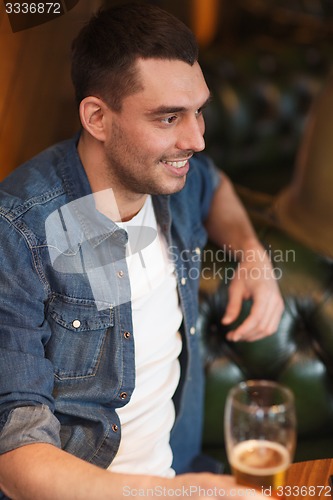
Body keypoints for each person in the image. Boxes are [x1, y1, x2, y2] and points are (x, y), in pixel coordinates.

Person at [0, 3, 283, 499]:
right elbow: (15, 457)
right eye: (169, 117)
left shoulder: (173, 179)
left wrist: (252, 253)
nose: (196, 139)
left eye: (199, 111)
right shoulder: (19, 232)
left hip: (187, 472)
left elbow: (216, 186)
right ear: (96, 117)